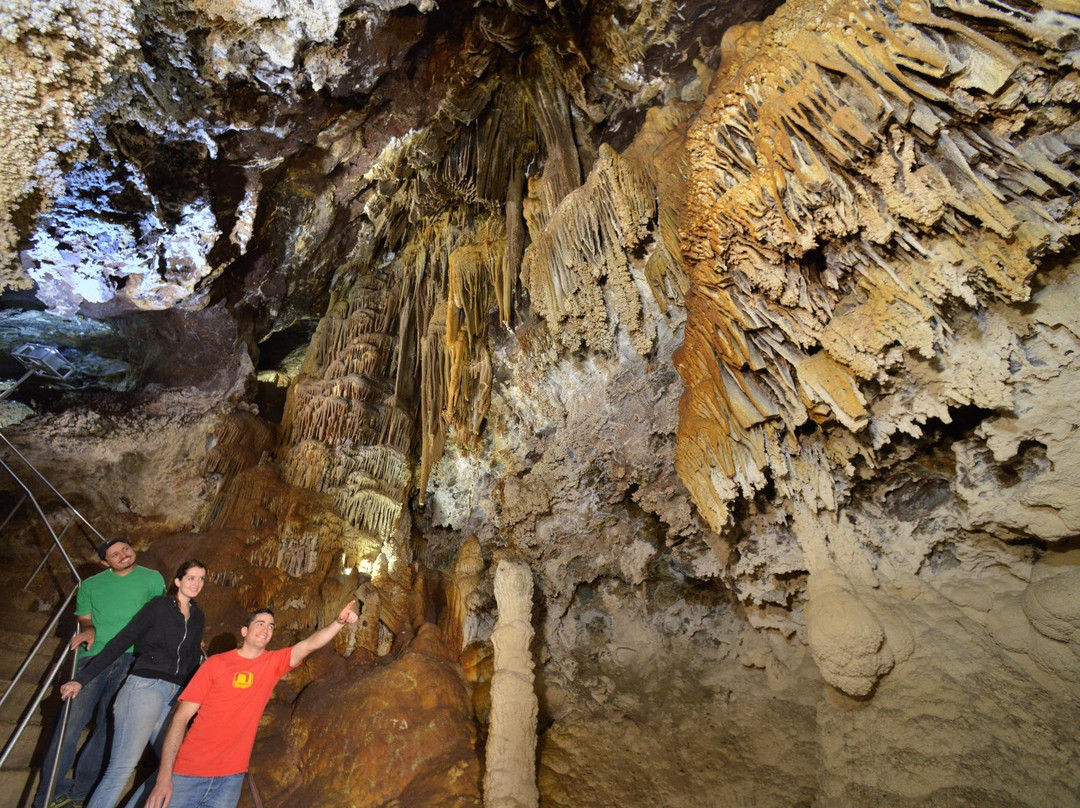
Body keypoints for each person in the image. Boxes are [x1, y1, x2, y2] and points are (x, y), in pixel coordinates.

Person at [143, 600, 358, 808]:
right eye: (260, 624)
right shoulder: (215, 665)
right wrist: (164, 777)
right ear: (244, 631)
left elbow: (310, 644)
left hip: (230, 779)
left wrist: (338, 623)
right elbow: (180, 718)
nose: (266, 629)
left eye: (271, 626)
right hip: (188, 772)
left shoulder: (272, 664)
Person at [59, 560, 208, 808]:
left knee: (178, 767)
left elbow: (193, 658)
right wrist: (81, 679)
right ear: (178, 581)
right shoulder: (158, 606)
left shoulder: (198, 616)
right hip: (145, 688)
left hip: (175, 695)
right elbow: (121, 641)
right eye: (191, 577)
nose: (197, 583)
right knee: (121, 769)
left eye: (201, 579)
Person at [36, 538, 166, 808]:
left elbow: (160, 615)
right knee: (70, 724)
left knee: (109, 727)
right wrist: (90, 628)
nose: (123, 555)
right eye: (115, 554)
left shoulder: (153, 578)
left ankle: (81, 791)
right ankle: (50, 793)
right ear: (105, 562)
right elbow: (84, 617)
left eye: (126, 549)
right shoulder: (92, 585)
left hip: (132, 657)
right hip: (95, 658)